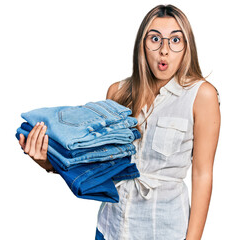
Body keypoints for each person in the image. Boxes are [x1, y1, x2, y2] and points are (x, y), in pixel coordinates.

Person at [18, 4, 221, 240]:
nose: (164, 50)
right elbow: (101, 167)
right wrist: (49, 163)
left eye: (175, 40)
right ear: (142, 45)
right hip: (111, 228)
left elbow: (202, 174)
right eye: (155, 39)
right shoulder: (118, 92)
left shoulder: (201, 95)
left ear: (186, 47)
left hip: (164, 230)